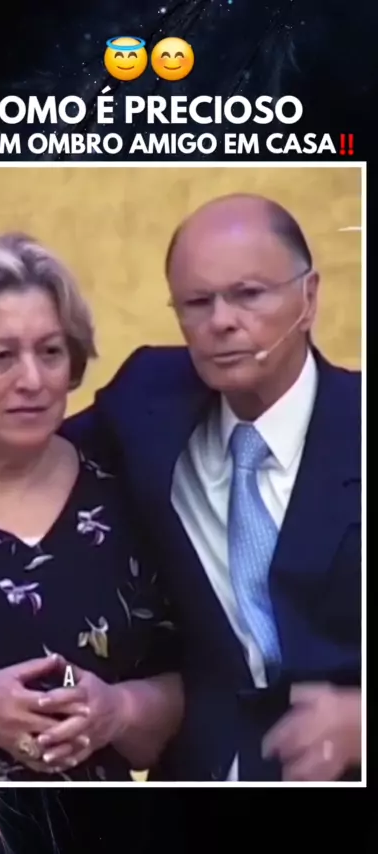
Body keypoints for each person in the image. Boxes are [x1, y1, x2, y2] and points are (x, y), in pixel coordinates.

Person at [63, 193, 362, 782]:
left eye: (249, 294)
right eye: (198, 302)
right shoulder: (148, 399)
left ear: (308, 298)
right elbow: (28, 459)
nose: (222, 321)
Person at [0, 232, 183, 783]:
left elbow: (186, 682)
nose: (33, 381)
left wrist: (118, 711)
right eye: (1, 357)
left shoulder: (126, 492)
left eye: (51, 352)